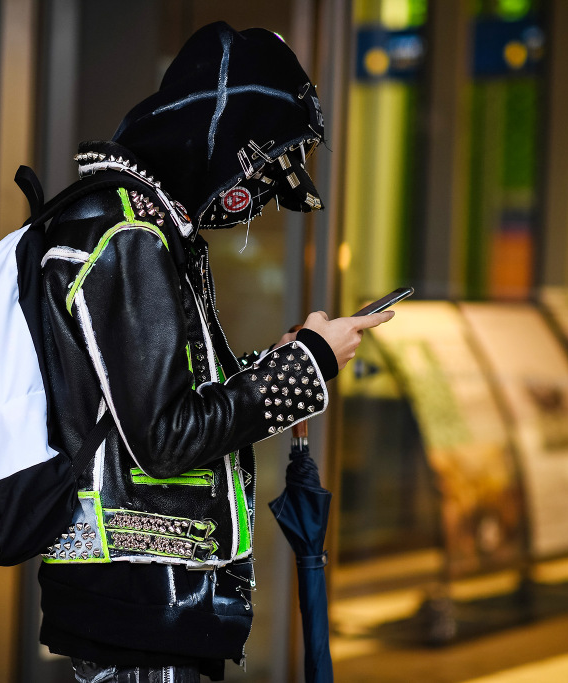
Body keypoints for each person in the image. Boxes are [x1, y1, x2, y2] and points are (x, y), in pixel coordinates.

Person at [37, 22, 394, 682]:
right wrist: (306, 363)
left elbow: (156, 403)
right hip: (144, 604)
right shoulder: (129, 233)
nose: (256, 192)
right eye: (259, 166)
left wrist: (291, 362)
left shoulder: (143, 224)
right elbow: (168, 435)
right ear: (222, 132)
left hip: (147, 602)